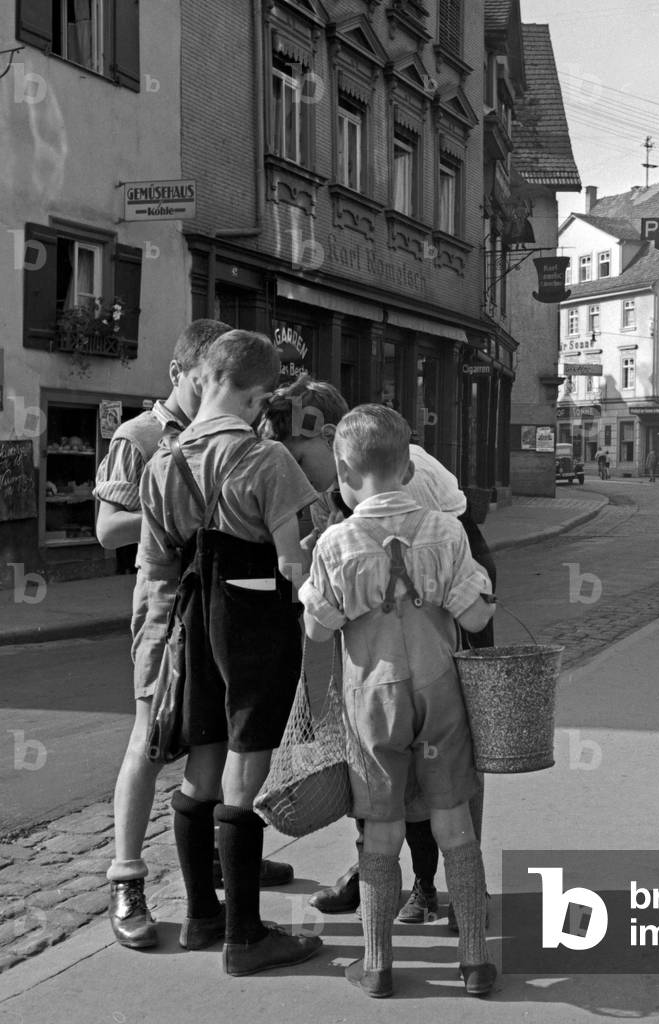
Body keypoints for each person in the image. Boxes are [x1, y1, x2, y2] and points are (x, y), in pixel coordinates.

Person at [94, 319, 294, 951]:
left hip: (203, 611)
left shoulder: (202, 451)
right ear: (190, 373)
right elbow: (112, 534)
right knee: (154, 743)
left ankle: (212, 884)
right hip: (178, 613)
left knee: (208, 749)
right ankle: (130, 877)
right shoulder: (143, 440)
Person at [137, 330, 322, 976]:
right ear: (258, 396)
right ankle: (246, 936)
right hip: (253, 622)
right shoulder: (267, 461)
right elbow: (293, 561)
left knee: (203, 761)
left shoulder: (163, 462)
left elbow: (160, 556)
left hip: (193, 619)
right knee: (245, 771)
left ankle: (200, 916)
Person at [300, 404, 496, 999]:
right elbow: (477, 613)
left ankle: (379, 964)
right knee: (454, 824)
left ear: (342, 471)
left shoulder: (336, 541)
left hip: (373, 700)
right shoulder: (446, 530)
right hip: (439, 693)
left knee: (379, 831)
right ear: (410, 467)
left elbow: (316, 628)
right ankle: (474, 961)